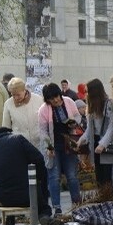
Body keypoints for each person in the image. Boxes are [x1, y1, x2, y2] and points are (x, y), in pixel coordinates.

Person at [0, 127, 52, 225]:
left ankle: (10, 218)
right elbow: (39, 159)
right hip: (30, 195)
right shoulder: (18, 139)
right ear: (8, 133)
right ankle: (43, 214)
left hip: (6, 199)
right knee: (42, 175)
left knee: (5, 184)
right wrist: (38, 179)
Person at [38, 83, 81, 215]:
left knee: (72, 176)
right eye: (52, 99)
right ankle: (57, 207)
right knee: (54, 177)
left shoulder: (69, 101)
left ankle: (77, 204)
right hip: (54, 145)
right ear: (47, 100)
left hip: (69, 144)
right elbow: (43, 131)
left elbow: (78, 116)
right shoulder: (43, 109)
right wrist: (48, 146)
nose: (56, 100)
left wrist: (74, 123)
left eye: (57, 96)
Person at [77, 79, 113, 188]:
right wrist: (81, 140)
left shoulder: (109, 104)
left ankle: (109, 197)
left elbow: (112, 127)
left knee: (107, 176)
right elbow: (90, 129)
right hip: (95, 141)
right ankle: (102, 196)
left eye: (87, 91)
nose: (86, 94)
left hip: (108, 143)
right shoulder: (91, 106)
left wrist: (102, 144)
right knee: (99, 176)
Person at [2, 77, 45, 150]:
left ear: (24, 90)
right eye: (13, 95)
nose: (16, 98)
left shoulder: (38, 100)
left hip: (38, 144)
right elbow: (6, 128)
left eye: (18, 95)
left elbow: (45, 121)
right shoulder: (8, 104)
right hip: (19, 145)